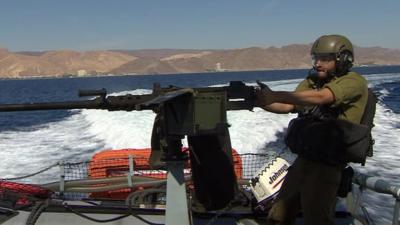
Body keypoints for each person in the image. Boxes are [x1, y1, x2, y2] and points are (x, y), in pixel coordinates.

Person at [255, 34, 368, 225]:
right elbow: (288, 106)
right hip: (305, 160)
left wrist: (276, 94)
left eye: (325, 59)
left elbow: (323, 97)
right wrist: (261, 101)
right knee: (279, 215)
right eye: (316, 58)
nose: (318, 63)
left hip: (327, 165)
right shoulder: (313, 81)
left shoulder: (354, 82)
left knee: (316, 218)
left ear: (343, 59)